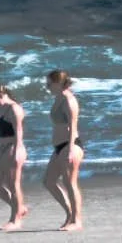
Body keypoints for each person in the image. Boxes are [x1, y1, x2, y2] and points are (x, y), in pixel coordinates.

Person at [41, 69, 84, 231]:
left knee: (70, 182)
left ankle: (77, 220)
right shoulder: (58, 98)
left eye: (49, 84)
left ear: (58, 83)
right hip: (59, 147)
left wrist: (71, 149)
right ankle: (69, 214)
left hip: (70, 145)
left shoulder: (68, 100)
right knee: (49, 181)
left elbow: (73, 126)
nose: (47, 87)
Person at [0, 82, 27, 231]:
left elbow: (19, 132)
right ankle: (19, 208)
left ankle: (15, 220)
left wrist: (17, 150)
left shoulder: (14, 108)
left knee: (13, 185)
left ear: (2, 95)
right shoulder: (2, 109)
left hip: (13, 148)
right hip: (2, 150)